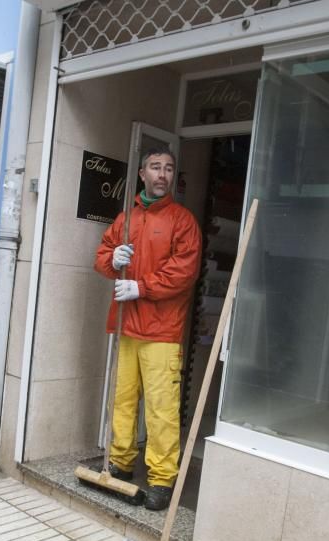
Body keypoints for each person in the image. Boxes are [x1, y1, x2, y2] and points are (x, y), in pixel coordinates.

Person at [93, 148, 202, 511]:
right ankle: (121, 464)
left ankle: (160, 479)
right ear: (142, 174)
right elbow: (101, 256)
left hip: (162, 332)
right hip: (127, 328)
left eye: (169, 168)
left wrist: (142, 287)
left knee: (160, 410)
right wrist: (112, 259)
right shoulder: (126, 218)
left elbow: (183, 272)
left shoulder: (182, 221)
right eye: (155, 167)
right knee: (123, 402)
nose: (162, 174)